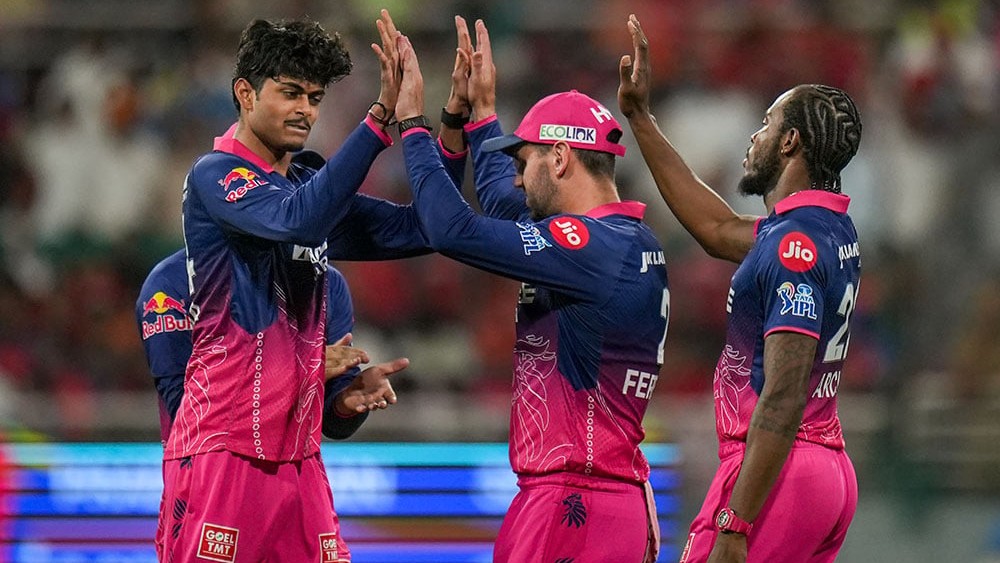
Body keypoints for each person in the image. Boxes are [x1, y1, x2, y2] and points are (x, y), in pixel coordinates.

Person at [393, 21, 668, 563]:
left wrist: (412, 126)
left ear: (561, 158)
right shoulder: (619, 237)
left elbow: (454, 231)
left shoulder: (589, 245)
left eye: (526, 163)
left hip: (575, 502)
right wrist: (484, 111)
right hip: (595, 491)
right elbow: (499, 205)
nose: (517, 179)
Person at [158, 12, 418, 562]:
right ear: (245, 94)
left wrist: (441, 132)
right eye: (290, 93)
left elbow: (411, 229)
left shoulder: (305, 187)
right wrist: (377, 121)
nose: (305, 110)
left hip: (301, 465)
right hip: (223, 454)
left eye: (316, 97)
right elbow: (297, 220)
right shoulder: (216, 174)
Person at [618, 15, 862, 563]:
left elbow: (784, 390)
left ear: (790, 142)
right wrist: (641, 118)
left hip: (777, 470)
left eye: (768, 123)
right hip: (823, 470)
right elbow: (717, 229)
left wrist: (736, 520)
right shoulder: (824, 229)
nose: (755, 136)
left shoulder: (791, 246)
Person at [136, 249, 399, 447]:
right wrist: (298, 371)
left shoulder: (327, 282)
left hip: (297, 481)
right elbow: (186, 411)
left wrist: (345, 401)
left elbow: (333, 420)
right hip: (209, 480)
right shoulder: (172, 282)